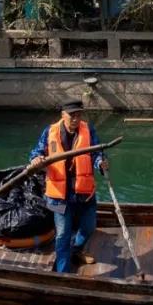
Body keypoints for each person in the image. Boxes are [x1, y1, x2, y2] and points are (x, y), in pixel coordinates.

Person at [29, 100, 108, 273]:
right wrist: (36, 159)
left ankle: (76, 250)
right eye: (72, 115)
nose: (76, 118)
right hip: (58, 196)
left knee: (89, 227)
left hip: (84, 192)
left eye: (79, 114)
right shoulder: (49, 132)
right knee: (63, 234)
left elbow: (97, 153)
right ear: (63, 115)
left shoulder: (89, 130)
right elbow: (36, 152)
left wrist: (101, 162)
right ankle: (63, 272)